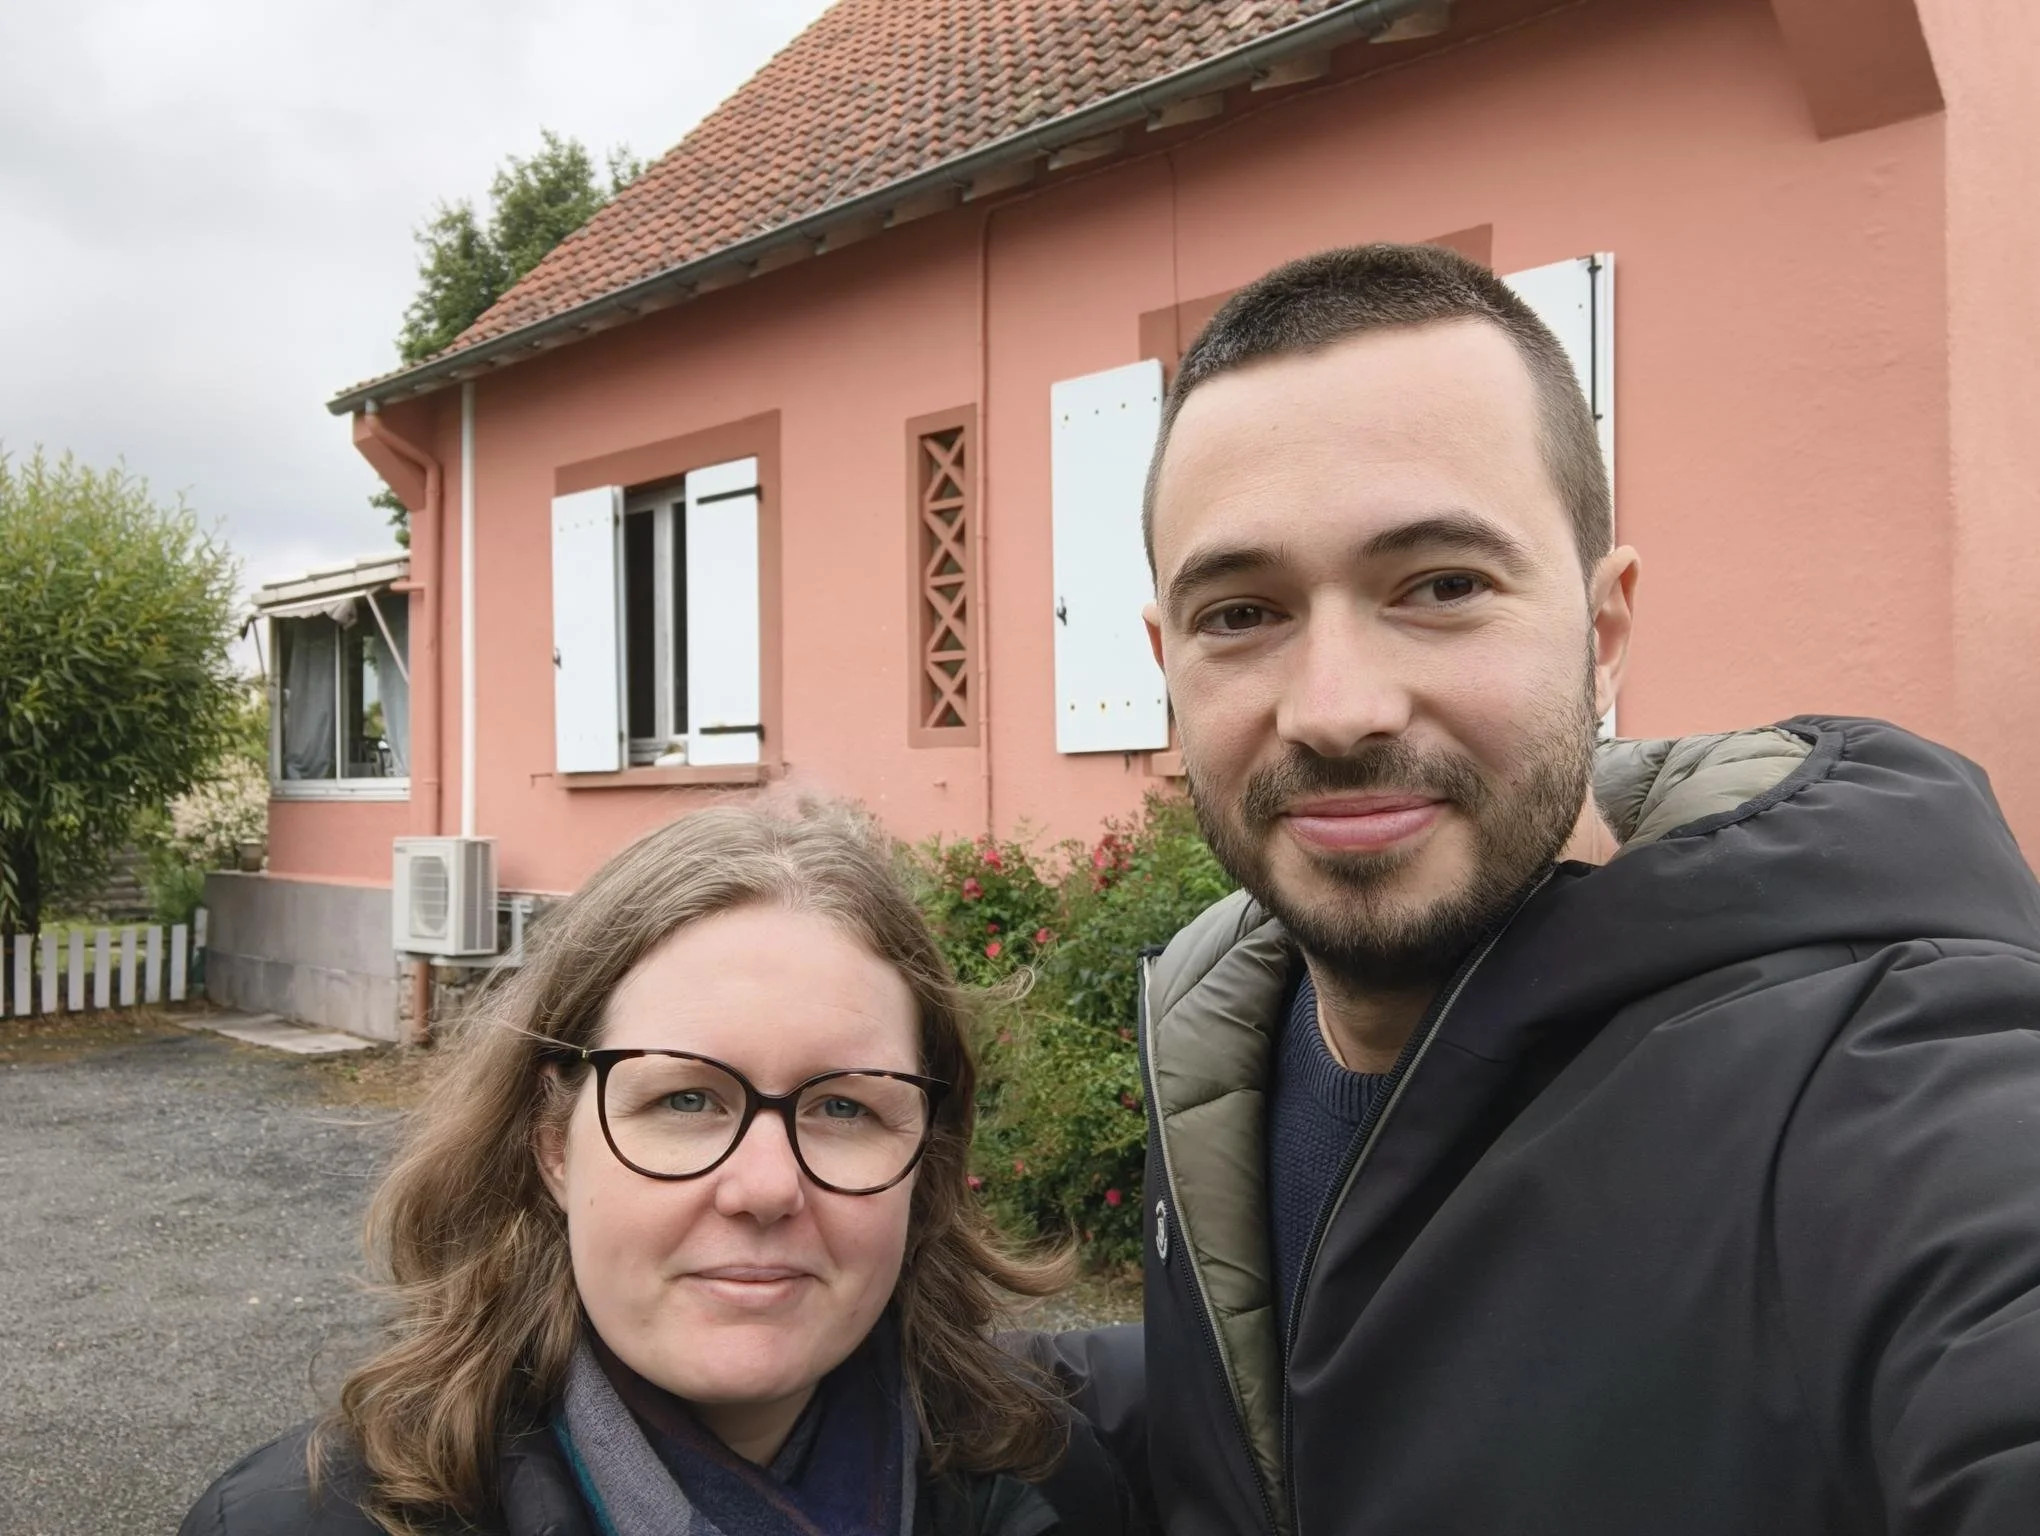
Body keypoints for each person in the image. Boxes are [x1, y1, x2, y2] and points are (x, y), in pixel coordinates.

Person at [1045, 243, 2040, 1534]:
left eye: (1443, 587)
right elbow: (1303, 1403)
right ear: (1166, 661)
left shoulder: (1886, 1078)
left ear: (1603, 628)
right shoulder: (1222, 1031)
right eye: (1243, 613)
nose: (1338, 709)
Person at [181, 801, 1133, 1536]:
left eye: (844, 1107)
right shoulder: (294, 1521)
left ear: (926, 1160)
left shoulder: (1050, 1481)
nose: (764, 1188)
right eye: (685, 1101)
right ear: (553, 1144)